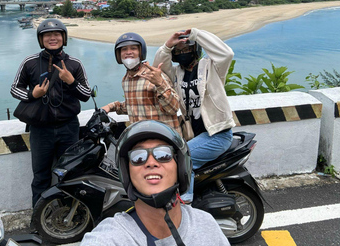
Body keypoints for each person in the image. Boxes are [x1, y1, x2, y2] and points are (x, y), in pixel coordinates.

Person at [81, 120, 230, 246]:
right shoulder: (110, 238)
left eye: (163, 154)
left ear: (181, 166)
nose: (151, 163)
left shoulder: (205, 224)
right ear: (127, 173)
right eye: (138, 157)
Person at [10, 18, 91, 207]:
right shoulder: (30, 62)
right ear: (41, 39)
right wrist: (33, 94)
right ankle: (40, 218)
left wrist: (71, 82)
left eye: (56, 34)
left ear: (64, 37)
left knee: (70, 173)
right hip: (40, 129)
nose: (52, 38)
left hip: (68, 127)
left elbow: (86, 95)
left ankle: (70, 214)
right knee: (41, 176)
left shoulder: (75, 64)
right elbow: (14, 89)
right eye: (47, 35)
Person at [153, 28, 235, 202]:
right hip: (196, 135)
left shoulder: (211, 67)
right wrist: (168, 46)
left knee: (183, 156)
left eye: (187, 49)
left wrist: (196, 34)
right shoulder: (177, 74)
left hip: (217, 134)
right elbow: (158, 67)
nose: (183, 53)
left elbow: (226, 53)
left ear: (195, 50)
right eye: (179, 51)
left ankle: (186, 202)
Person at [101, 32, 181, 134]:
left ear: (141, 52)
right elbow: (135, 105)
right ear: (119, 54)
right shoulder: (126, 80)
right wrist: (110, 107)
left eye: (133, 48)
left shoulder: (154, 75)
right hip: (141, 137)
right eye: (124, 49)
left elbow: (174, 108)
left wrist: (160, 84)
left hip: (163, 138)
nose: (128, 52)